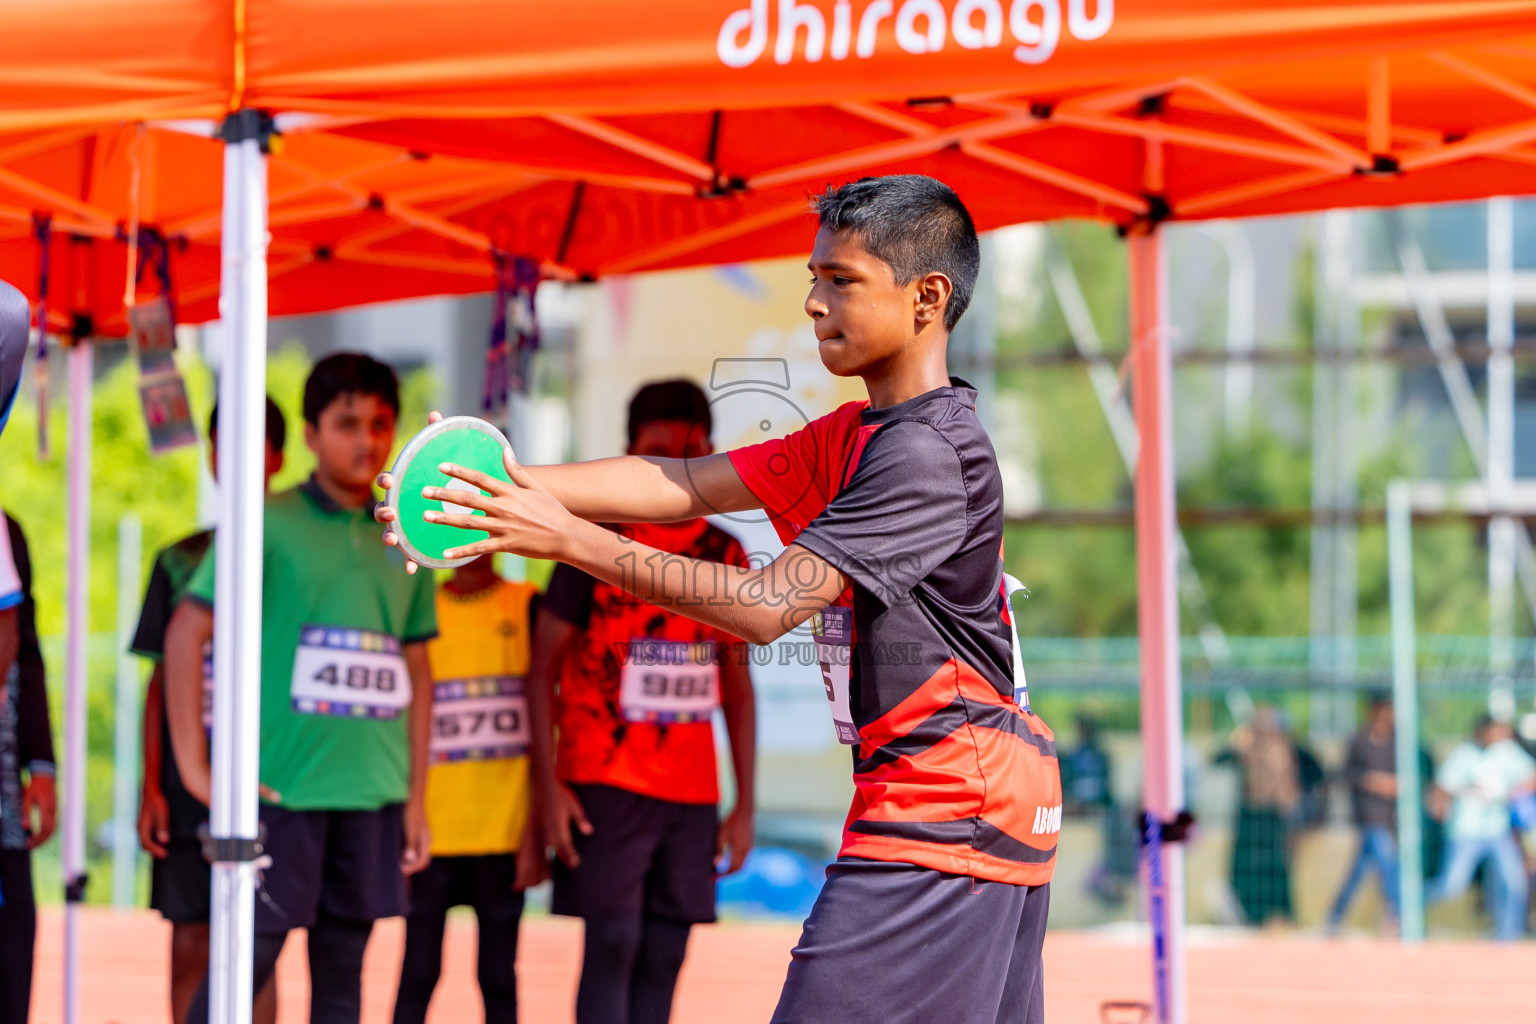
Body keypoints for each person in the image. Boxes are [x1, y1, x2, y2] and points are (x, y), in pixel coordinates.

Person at [379, 174, 1060, 1024]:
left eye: (840, 280)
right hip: (967, 803)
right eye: (812, 279)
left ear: (928, 298)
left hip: (949, 808)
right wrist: (484, 487)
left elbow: (763, 606)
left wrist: (563, 536)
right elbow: (680, 481)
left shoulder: (923, 454)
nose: (814, 302)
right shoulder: (854, 437)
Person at [166, 353, 438, 1023]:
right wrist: (197, 768)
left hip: (372, 796)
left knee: (344, 982)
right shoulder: (266, 523)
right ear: (311, 435)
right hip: (280, 793)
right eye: (347, 423)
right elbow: (183, 636)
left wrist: (416, 798)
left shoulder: (409, 534)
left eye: (380, 424)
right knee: (243, 969)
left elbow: (419, 672)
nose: (367, 440)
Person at [526, 380, 756, 1024]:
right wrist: (548, 788)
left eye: (691, 453)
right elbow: (540, 667)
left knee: (663, 955)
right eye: (657, 454)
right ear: (630, 454)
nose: (675, 469)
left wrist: (745, 805)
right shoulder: (587, 541)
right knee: (613, 945)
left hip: (690, 795)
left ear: (710, 452)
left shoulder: (724, 552)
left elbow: (736, 689)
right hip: (604, 784)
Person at [131, 399, 285, 1024]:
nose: (236, 458)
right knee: (192, 933)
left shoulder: (297, 556)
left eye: (251, 445)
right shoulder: (179, 558)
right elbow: (160, 681)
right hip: (189, 778)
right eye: (223, 444)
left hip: (275, 770)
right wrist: (151, 786)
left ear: (278, 456)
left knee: (263, 943)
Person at [391, 554, 545, 1024]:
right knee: (416, 974)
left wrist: (535, 831)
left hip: (504, 833)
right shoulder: (417, 608)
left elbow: (546, 724)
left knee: (498, 978)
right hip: (431, 834)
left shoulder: (527, 606)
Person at [0, 512, 56, 1024]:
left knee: (10, 944)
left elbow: (27, 651)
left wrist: (41, 766)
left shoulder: (6, 528)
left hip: (3, 781)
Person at [1426, 716, 1536, 941]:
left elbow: (1530, 776)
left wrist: (1511, 790)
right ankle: (1404, 910)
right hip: (1466, 831)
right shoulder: (1463, 755)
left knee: (1514, 882)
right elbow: (1441, 788)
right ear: (1481, 731)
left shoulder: (1507, 752)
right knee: (1452, 884)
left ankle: (1508, 937)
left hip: (1497, 830)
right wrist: (1466, 790)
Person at [1217, 705, 1299, 926]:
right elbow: (1224, 754)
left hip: (1273, 816)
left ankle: (1280, 914)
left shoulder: (1281, 748)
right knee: (1243, 866)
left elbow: (1287, 788)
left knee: (1275, 866)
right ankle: (1247, 913)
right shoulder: (1247, 744)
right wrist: (1242, 736)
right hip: (1250, 814)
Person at [1326, 695, 1399, 933]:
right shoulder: (1358, 740)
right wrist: (1371, 781)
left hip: (1391, 817)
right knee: (1389, 866)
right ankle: (1397, 915)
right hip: (1367, 815)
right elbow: (1343, 774)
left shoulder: (1398, 742)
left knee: (1359, 872)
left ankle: (1334, 919)